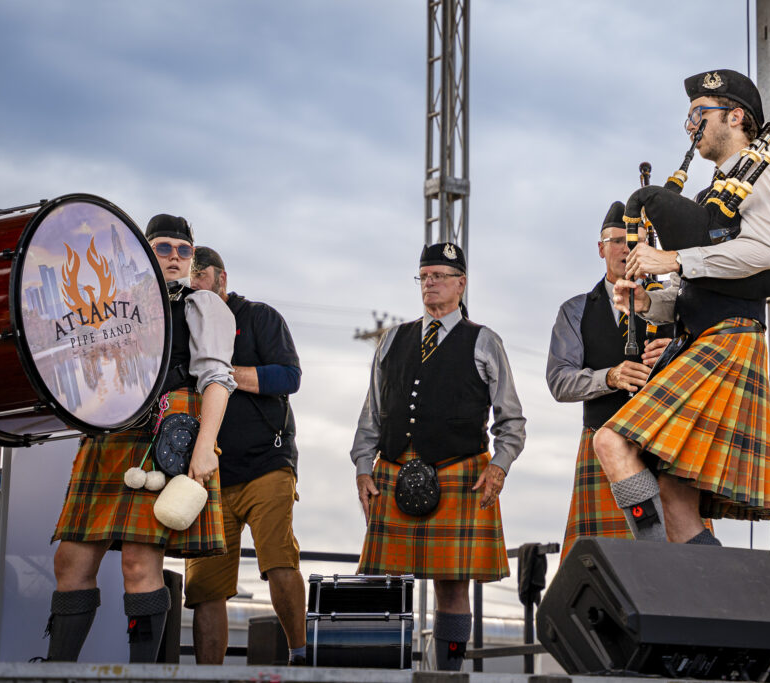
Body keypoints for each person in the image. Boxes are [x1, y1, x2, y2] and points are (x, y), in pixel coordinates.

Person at [593, 69, 770, 546]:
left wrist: (674, 256)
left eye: (700, 114)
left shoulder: (760, 173)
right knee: (677, 497)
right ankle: (710, 606)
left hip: (728, 341)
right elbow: (689, 289)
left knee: (610, 439)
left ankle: (656, 564)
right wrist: (648, 302)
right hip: (701, 338)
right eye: (688, 118)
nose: (692, 126)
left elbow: (763, 252)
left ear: (736, 116)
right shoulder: (710, 196)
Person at [46, 215, 236, 662]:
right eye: (164, 247)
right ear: (144, 251)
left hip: (166, 430)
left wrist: (206, 444)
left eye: (184, 250)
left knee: (138, 561)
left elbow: (216, 378)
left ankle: (141, 673)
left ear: (192, 260)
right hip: (111, 431)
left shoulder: (201, 306)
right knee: (70, 561)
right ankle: (57, 671)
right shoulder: (110, 304)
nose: (174, 257)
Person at [350, 242, 525, 671]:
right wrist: (361, 467)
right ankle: (382, 674)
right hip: (391, 470)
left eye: (439, 276)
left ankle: (447, 675)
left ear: (461, 284)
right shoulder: (392, 339)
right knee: (381, 584)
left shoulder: (484, 341)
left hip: (459, 474)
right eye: (424, 276)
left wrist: (499, 466)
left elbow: (512, 420)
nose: (429, 283)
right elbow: (372, 410)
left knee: (452, 586)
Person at [184, 246, 307, 665]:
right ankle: (207, 676)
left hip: (267, 463)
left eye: (200, 277)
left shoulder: (259, 317)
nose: (193, 286)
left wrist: (219, 371)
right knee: (206, 586)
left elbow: (290, 376)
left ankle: (300, 657)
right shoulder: (182, 324)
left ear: (221, 278)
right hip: (208, 471)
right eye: (188, 278)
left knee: (278, 561)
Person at [547, 201, 673, 558]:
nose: (626, 248)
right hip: (602, 444)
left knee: (675, 564)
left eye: (635, 241)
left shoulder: (675, 302)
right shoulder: (575, 311)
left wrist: (674, 355)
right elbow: (559, 380)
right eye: (616, 240)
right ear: (600, 248)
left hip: (666, 445)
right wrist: (611, 377)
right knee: (603, 564)